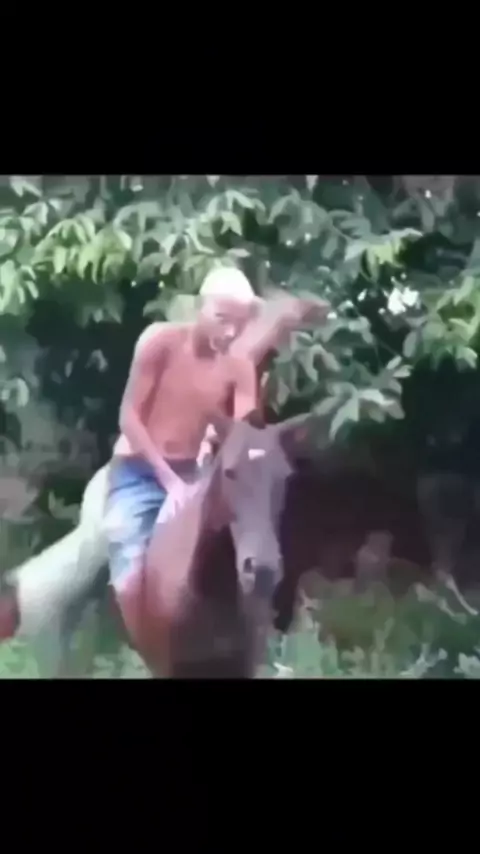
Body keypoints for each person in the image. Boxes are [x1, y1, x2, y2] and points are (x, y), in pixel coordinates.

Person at [0, 266, 329, 636]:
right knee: (116, 554)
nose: (229, 332)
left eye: (238, 324)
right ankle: (46, 609)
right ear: (202, 309)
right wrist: (171, 479)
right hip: (137, 470)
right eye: (222, 319)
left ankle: (259, 625)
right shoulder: (163, 343)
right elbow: (130, 419)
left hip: (193, 472)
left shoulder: (238, 365)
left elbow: (243, 432)